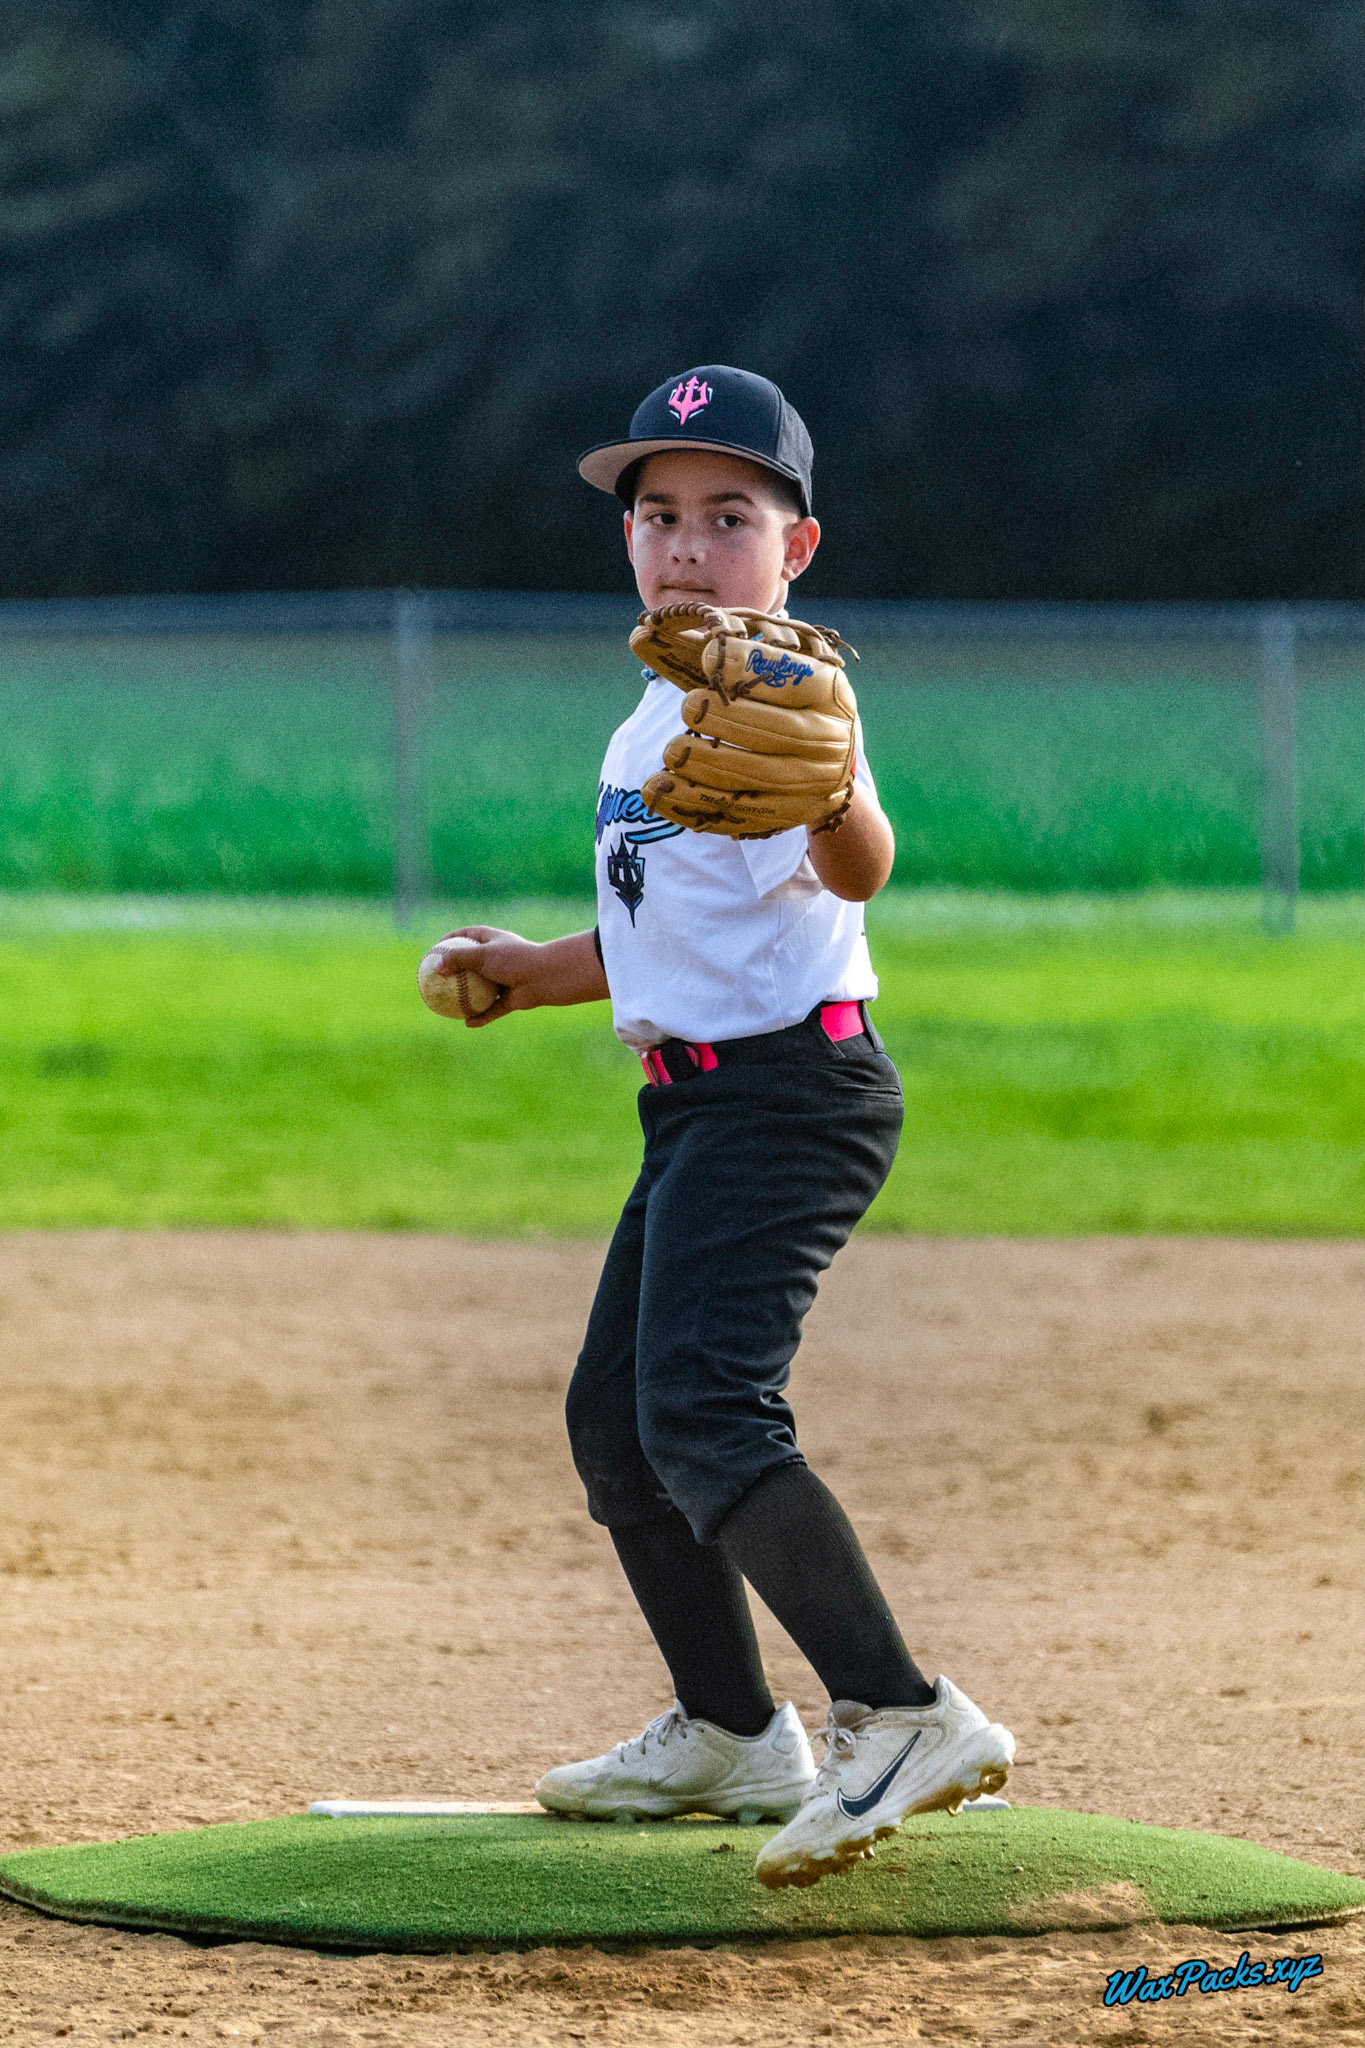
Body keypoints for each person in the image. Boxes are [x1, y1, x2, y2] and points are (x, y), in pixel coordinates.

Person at [434, 366, 1013, 1888]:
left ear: (794, 547)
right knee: (615, 1426)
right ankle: (731, 1730)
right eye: (658, 514)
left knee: (699, 1410)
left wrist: (829, 799)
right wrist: (527, 977)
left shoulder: (786, 690)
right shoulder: (647, 724)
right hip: (694, 1100)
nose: (686, 544)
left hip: (791, 1098)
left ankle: (900, 1714)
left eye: (728, 515)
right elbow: (656, 939)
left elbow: (857, 865)